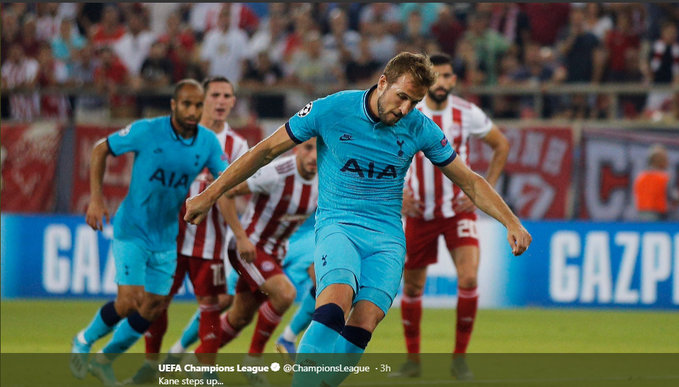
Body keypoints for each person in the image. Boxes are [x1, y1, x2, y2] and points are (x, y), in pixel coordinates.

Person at [184, 52, 531, 387]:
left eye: (415, 102)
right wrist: (210, 194)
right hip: (339, 226)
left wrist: (511, 221)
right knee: (334, 305)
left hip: (387, 239)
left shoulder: (419, 126)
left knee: (364, 324)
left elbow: (469, 180)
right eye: (402, 97)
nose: (406, 108)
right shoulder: (331, 109)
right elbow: (265, 151)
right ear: (383, 83)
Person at [69, 79, 229, 387]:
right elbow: (101, 149)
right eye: (187, 104)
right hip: (133, 229)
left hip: (167, 236)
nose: (193, 111)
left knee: (153, 307)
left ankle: (105, 360)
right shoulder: (147, 130)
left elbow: (226, 176)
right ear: (173, 105)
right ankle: (83, 340)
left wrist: (228, 187)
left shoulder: (208, 142)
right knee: (129, 301)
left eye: (198, 105)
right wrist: (97, 198)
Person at [390, 53, 510, 380]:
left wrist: (487, 189)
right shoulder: (411, 111)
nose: (441, 83)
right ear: (429, 80)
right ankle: (413, 362)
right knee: (413, 289)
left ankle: (459, 359)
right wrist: (398, 193)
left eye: (446, 77)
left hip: (457, 211)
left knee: (469, 278)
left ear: (453, 80)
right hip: (419, 213)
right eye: (436, 77)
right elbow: (390, 149)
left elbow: (501, 144)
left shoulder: (467, 113)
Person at [124, 76, 249, 384]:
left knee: (212, 303)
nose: (221, 101)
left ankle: (205, 371)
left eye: (227, 95)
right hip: (168, 234)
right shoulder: (175, 134)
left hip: (210, 240)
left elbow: (243, 186)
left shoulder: (238, 145)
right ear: (202, 99)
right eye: (215, 95)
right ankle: (150, 367)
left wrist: (222, 189)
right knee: (157, 300)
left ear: (233, 102)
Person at [190, 137, 318, 387]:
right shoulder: (276, 173)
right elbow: (226, 191)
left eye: (319, 149)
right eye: (308, 148)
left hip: (275, 253)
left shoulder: (325, 179)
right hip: (249, 249)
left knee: (240, 317)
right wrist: (240, 237)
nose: (313, 156)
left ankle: (196, 361)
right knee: (285, 294)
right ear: (297, 149)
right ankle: (253, 361)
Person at [633, 144, 678, 221]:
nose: (667, 162)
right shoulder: (664, 178)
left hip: (641, 215)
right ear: (657, 160)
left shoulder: (640, 177)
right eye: (664, 159)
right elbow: (675, 196)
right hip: (658, 216)